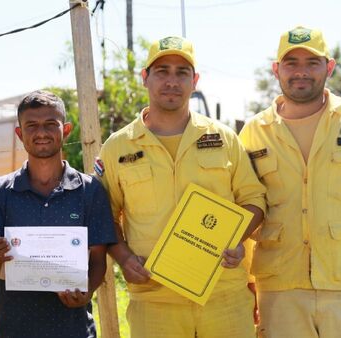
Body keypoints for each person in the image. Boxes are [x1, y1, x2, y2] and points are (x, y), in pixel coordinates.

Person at [97, 36, 266, 338]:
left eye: (182, 72)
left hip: (223, 296)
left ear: (195, 80)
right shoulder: (117, 147)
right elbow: (104, 215)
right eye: (162, 71)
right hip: (154, 299)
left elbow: (253, 199)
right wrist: (124, 258)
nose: (172, 81)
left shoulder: (224, 138)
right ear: (145, 78)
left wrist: (235, 239)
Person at [0, 90, 116, 338]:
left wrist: (86, 291)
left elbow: (97, 262)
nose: (41, 133)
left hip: (74, 330)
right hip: (15, 330)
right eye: (32, 125)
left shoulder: (90, 190)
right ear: (19, 134)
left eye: (51, 124)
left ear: (67, 129)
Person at [239, 26, 341, 337]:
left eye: (312, 63)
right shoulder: (253, 131)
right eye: (291, 63)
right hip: (278, 289)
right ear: (276, 70)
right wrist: (246, 283)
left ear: (329, 67)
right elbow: (243, 206)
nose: (301, 72)